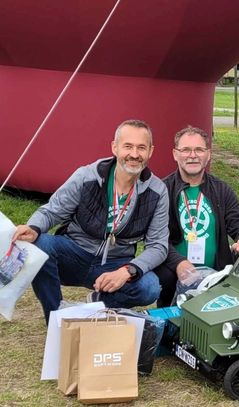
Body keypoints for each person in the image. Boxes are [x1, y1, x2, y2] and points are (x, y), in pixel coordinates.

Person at [12, 120, 168, 324]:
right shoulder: (87, 175)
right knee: (40, 245)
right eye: (127, 146)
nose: (134, 154)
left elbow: (158, 245)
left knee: (149, 287)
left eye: (141, 147)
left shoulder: (157, 191)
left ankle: (98, 305)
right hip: (74, 253)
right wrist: (33, 228)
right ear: (115, 147)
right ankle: (56, 318)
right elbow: (52, 210)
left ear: (151, 151)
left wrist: (126, 271)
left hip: (114, 263)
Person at [154, 126, 239, 306]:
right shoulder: (163, 190)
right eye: (185, 149)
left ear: (208, 154)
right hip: (173, 272)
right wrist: (178, 263)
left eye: (199, 150)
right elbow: (156, 238)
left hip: (215, 273)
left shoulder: (221, 189)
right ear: (175, 154)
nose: (192, 155)